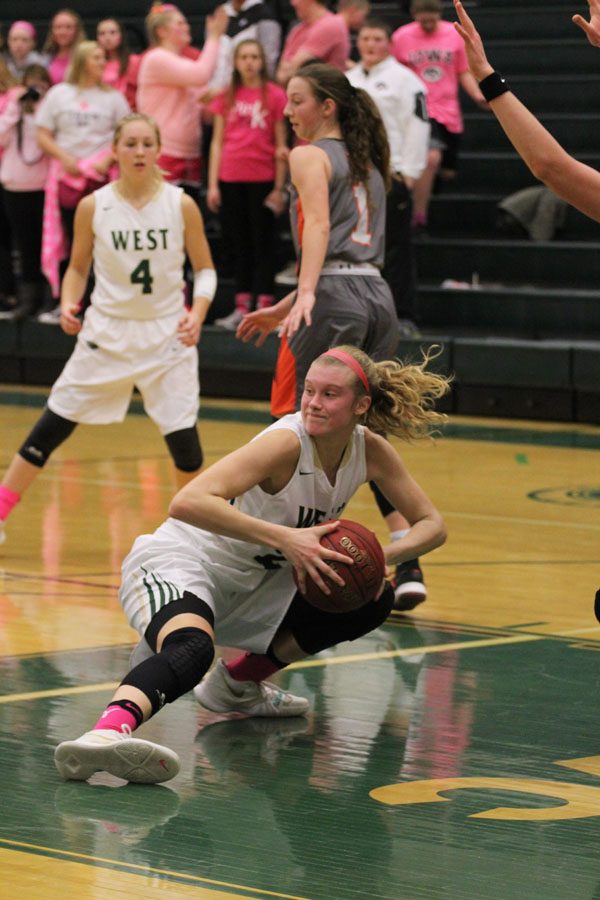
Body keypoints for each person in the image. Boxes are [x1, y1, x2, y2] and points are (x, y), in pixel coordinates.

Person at [53, 343, 449, 784]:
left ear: (361, 405)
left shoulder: (369, 450)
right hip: (184, 563)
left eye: (330, 394)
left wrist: (380, 560)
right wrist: (288, 539)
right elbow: (187, 501)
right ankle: (104, 736)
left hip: (257, 584)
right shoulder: (285, 443)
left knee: (372, 599)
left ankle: (237, 684)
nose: (314, 403)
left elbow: (432, 525)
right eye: (310, 390)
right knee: (191, 648)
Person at [237, 63, 428, 610]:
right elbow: (354, 246)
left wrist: (308, 294)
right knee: (356, 434)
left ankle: (277, 557)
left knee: (299, 425)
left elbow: (319, 227)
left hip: (334, 299)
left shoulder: (307, 155)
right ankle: (407, 555)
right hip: (376, 293)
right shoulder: (368, 158)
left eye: (296, 100)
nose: (287, 111)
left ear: (327, 106)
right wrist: (287, 303)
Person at [0, 113, 217, 547]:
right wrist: (67, 301)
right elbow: (77, 268)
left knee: (185, 444)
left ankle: (191, 538)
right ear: (115, 150)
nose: (139, 152)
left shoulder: (180, 204)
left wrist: (197, 310)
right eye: (130, 144)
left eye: (146, 144)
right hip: (107, 332)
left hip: (165, 336)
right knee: (52, 425)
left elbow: (206, 270)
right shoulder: (94, 205)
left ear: (158, 150)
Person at [35, 40, 131, 322]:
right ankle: (66, 303)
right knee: (68, 238)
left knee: (102, 242)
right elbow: (42, 133)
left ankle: (99, 303)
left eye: (104, 58)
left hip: (99, 180)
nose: (103, 62)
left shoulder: (113, 97)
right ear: (82, 61)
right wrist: (64, 158)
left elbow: (126, 133)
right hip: (67, 179)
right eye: (97, 58)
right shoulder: (59, 94)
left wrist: (108, 158)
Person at [347, 17, 430, 336]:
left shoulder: (406, 80)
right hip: (353, 178)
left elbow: (419, 126)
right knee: (356, 249)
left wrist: (409, 172)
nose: (370, 44)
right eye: (366, 38)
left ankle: (404, 316)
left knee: (396, 248)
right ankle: (362, 315)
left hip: (391, 175)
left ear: (389, 44)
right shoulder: (346, 80)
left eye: (377, 39)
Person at [208, 39, 288, 330]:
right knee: (239, 244)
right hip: (231, 177)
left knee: (263, 244)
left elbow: (282, 144)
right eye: (244, 57)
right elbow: (216, 142)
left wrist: (280, 187)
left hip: (263, 179)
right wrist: (213, 184)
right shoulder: (226, 96)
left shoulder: (275, 95)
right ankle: (242, 308)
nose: (250, 62)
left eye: (255, 56)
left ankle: (265, 307)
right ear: (236, 62)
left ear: (262, 61)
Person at [392, 0, 487, 234]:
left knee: (446, 170)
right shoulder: (402, 37)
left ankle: (425, 197)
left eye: (432, 20)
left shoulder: (452, 35)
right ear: (414, 15)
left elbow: (462, 69)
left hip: (448, 110)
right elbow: (395, 74)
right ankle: (418, 216)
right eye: (422, 20)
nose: (427, 25)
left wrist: (477, 95)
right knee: (431, 157)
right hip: (419, 109)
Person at [136, 4, 228, 198]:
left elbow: (206, 109)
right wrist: (213, 37)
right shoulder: (156, 58)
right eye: (180, 23)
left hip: (190, 154)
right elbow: (201, 75)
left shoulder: (185, 65)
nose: (187, 27)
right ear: (162, 31)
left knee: (187, 221)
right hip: (164, 152)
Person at [0, 64, 51, 319]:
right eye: (30, 84)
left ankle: (47, 297)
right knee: (24, 244)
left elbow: (54, 139)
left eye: (40, 84)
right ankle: (26, 298)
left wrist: (43, 105)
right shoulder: (15, 107)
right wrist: (15, 108)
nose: (34, 90)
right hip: (15, 185)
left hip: (43, 186)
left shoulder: (50, 109)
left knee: (48, 245)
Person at [208, 0, 282, 89]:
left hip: (250, 92)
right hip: (214, 91)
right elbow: (209, 54)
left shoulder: (264, 15)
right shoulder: (219, 13)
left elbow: (268, 62)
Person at [276, 0, 350, 85]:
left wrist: (289, 66)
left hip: (324, 93)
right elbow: (281, 76)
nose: (293, 3)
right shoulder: (297, 30)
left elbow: (290, 72)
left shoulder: (330, 25)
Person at [96, 17, 138, 108]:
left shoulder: (134, 61)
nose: (107, 38)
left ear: (121, 35)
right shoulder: (94, 63)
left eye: (112, 32)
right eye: (102, 34)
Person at [42, 9, 86, 85]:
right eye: (58, 27)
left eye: (68, 27)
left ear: (77, 30)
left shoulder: (85, 56)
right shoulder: (45, 58)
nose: (63, 32)